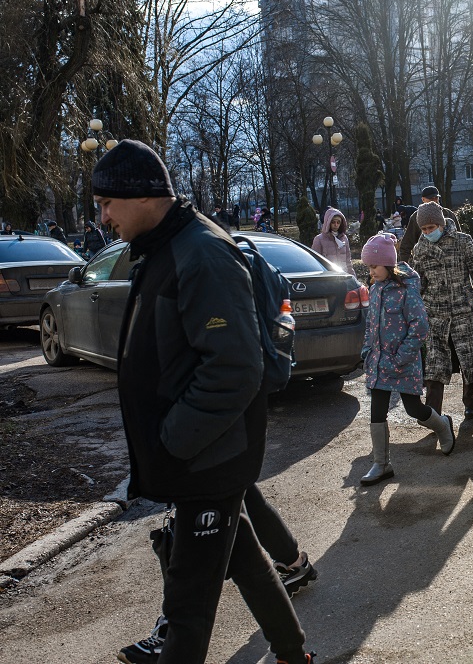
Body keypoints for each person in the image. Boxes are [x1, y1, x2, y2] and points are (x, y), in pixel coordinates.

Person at [92, 139, 315, 664]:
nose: (101, 217)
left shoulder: (203, 253)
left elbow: (235, 370)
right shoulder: (167, 245)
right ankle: (293, 654)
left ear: (142, 196)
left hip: (207, 455)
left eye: (106, 203)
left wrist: (172, 442)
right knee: (243, 554)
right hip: (200, 454)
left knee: (187, 606)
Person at [118, 483, 319, 662]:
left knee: (192, 573)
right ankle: (293, 657)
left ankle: (169, 635)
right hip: (217, 459)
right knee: (247, 556)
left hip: (202, 465)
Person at [358, 232, 456, 485]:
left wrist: (402, 356)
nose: (371, 271)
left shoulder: (406, 289)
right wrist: (367, 351)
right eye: (368, 266)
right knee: (376, 412)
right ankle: (382, 464)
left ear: (389, 264)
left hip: (403, 363)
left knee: (414, 409)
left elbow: (420, 326)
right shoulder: (376, 289)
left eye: (374, 265)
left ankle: (443, 426)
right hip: (379, 363)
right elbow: (371, 325)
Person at [410, 202, 473, 420]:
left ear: (441, 224)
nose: (427, 232)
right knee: (435, 365)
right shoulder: (421, 249)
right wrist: (414, 312)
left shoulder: (462, 242)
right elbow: (419, 283)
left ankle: (472, 404)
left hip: (464, 313)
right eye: (424, 229)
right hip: (435, 315)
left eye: (431, 227)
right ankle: (433, 413)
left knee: (469, 360)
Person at [398, 186, 462, 262]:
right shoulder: (416, 217)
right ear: (423, 199)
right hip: (427, 261)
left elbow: (459, 238)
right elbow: (406, 244)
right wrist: (404, 266)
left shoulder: (448, 214)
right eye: (431, 198)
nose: (434, 200)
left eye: (436, 198)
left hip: (451, 260)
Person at [311, 207, 356, 276]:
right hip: (328, 277)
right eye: (333, 222)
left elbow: (348, 260)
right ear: (328, 222)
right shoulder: (319, 239)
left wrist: (352, 276)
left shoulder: (344, 238)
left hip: (343, 275)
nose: (336, 225)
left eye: (338, 222)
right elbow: (315, 262)